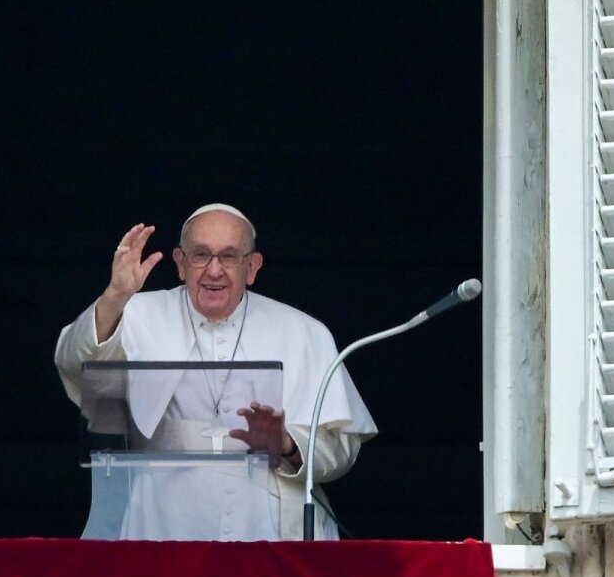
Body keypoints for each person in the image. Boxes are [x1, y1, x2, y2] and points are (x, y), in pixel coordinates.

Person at [55, 203, 377, 541]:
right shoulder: (134, 312)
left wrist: (286, 444)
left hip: (269, 533)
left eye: (229, 256)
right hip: (158, 526)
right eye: (200, 255)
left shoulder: (304, 332)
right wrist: (116, 295)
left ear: (252, 267)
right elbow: (75, 365)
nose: (213, 270)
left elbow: (340, 449)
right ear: (180, 263)